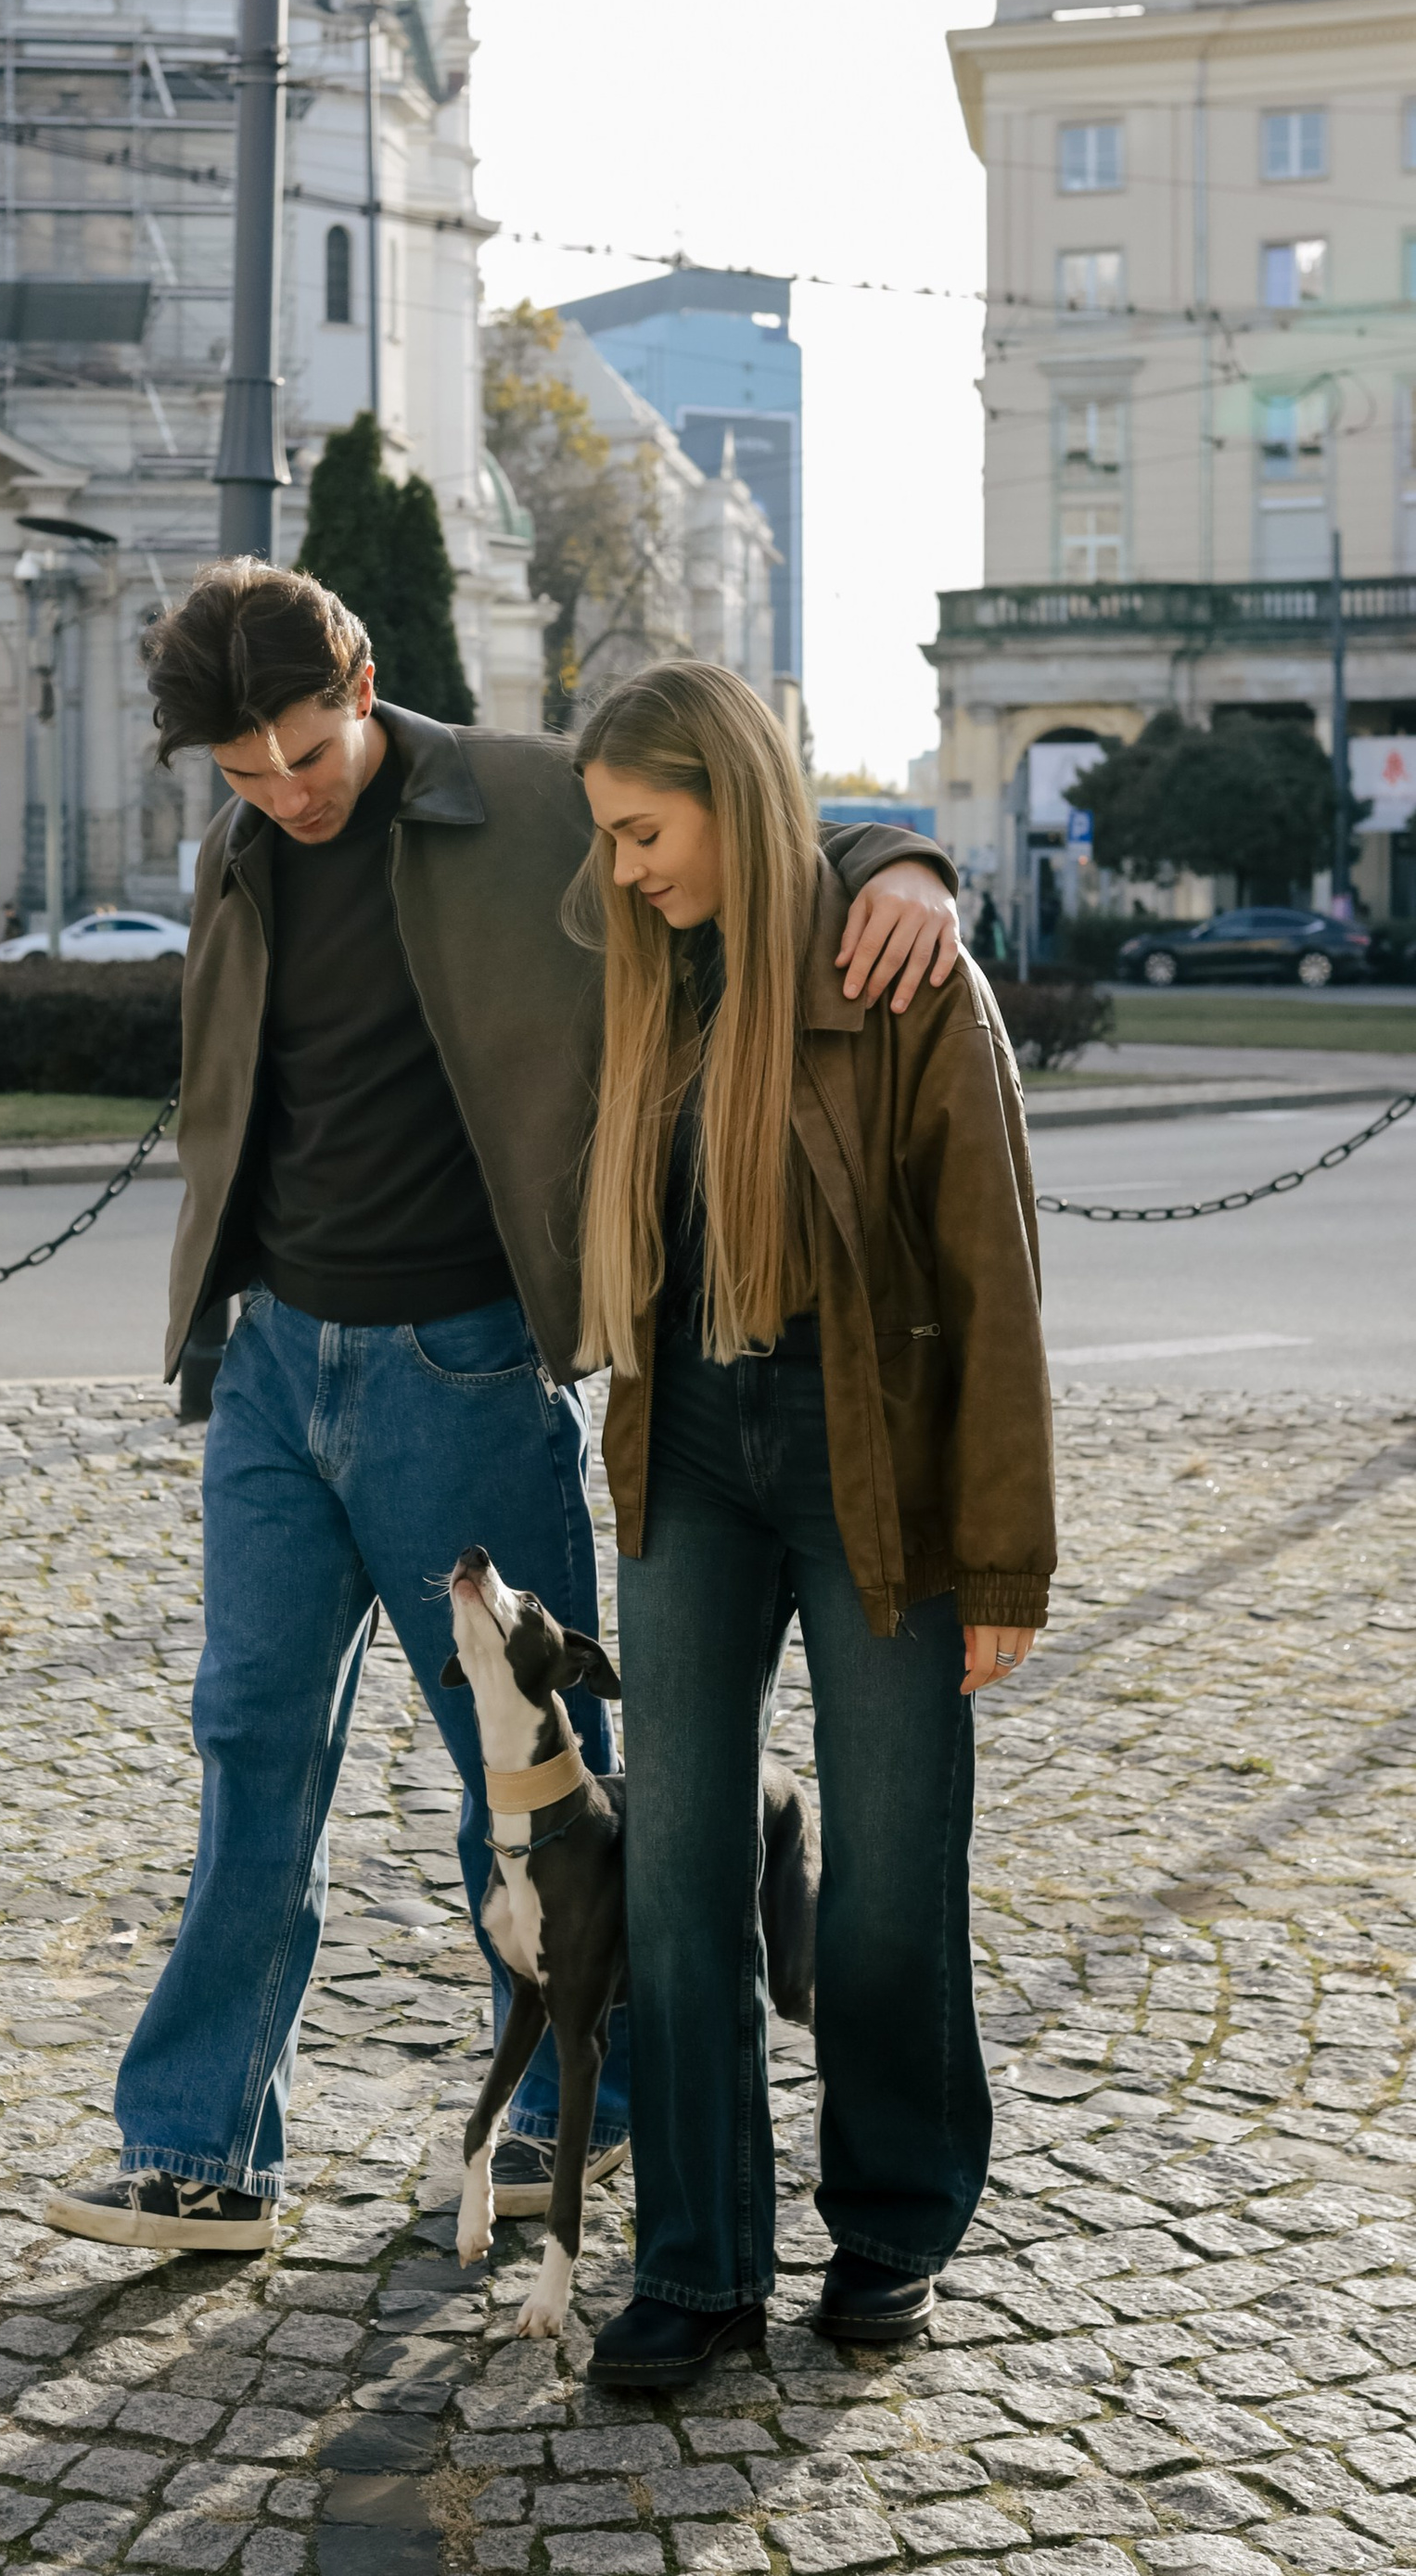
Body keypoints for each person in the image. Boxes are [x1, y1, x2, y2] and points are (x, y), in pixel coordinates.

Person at [45, 562, 964, 2255]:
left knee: (522, 1771)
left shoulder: (533, 797)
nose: (287, 794)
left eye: (309, 753)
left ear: (368, 683)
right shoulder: (243, 844)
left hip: (459, 1367)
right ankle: (202, 2154)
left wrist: (899, 856)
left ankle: (576, 2109)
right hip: (272, 1369)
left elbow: (742, 818)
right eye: (246, 773)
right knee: (250, 1744)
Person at [566, 660, 1054, 2388]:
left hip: (877, 1465)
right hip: (687, 1445)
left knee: (886, 1888)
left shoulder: (902, 976)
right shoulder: (649, 968)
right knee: (682, 1869)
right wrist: (893, 841)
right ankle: (696, 2267)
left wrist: (1004, 1555)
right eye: (609, 835)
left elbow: (994, 1283)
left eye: (647, 828)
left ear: (731, 799)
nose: (625, 867)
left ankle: (891, 2227)